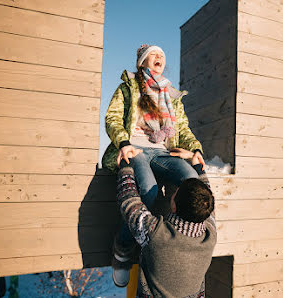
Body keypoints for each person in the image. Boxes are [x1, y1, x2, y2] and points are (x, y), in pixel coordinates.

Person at [101, 44, 207, 287]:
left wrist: (196, 149)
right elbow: (113, 117)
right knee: (147, 190)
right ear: (142, 62)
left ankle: (177, 244)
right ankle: (123, 249)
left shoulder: (172, 95)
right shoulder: (128, 87)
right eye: (153, 55)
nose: (159, 58)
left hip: (163, 152)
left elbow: (183, 129)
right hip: (136, 149)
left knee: (191, 181)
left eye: (161, 55)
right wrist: (124, 143)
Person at [115, 154, 216, 297]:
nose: (173, 192)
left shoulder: (157, 234)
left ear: (173, 207)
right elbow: (208, 200)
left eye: (175, 193)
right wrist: (199, 169)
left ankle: (121, 257)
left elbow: (129, 201)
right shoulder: (210, 235)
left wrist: (126, 167)